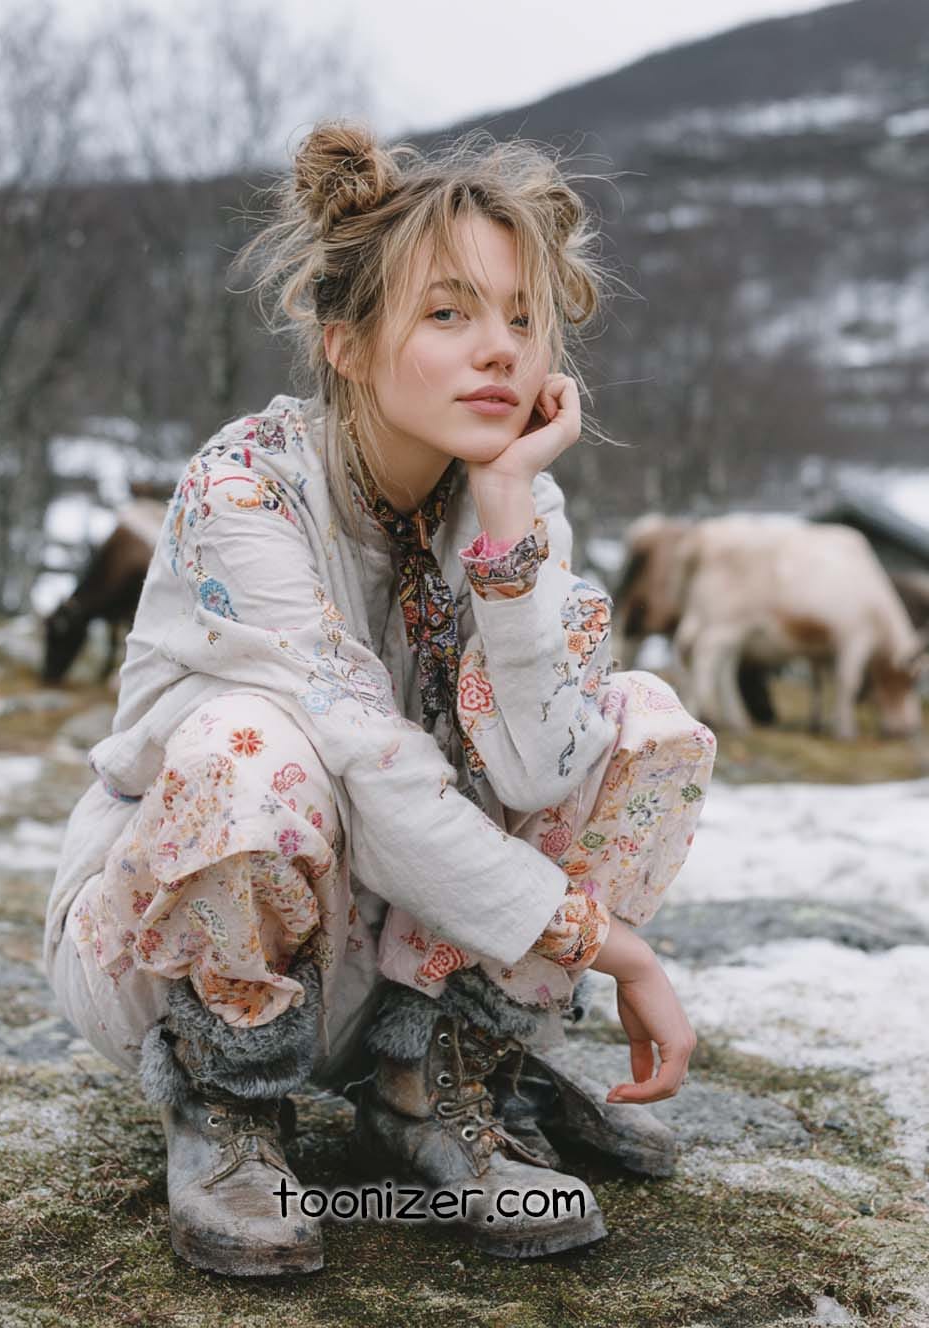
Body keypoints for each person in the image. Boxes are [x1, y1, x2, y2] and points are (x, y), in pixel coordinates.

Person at [44, 119, 716, 1278]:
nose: (498, 350)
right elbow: (375, 779)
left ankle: (436, 1074)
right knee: (255, 742)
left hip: (393, 955)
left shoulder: (514, 507)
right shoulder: (244, 492)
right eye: (449, 314)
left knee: (640, 720)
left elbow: (541, 768)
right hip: (175, 946)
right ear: (346, 344)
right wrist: (616, 951)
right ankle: (225, 1100)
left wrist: (504, 523)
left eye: (522, 318)